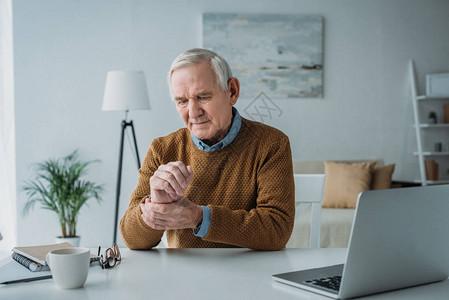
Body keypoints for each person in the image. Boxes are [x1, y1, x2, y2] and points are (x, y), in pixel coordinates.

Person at [120, 48, 295, 250]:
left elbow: (277, 230)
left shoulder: (271, 144)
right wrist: (156, 206)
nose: (193, 112)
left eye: (203, 97)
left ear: (232, 91)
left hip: (250, 275)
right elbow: (131, 240)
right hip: (183, 276)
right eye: (182, 101)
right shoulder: (162, 149)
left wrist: (198, 217)